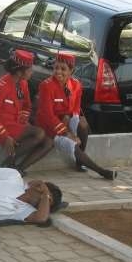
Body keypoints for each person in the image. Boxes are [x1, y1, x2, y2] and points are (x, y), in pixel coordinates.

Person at [36, 52, 117, 180]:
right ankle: (101, 171)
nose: (58, 72)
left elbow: (75, 108)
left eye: (63, 69)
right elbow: (47, 116)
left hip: (64, 120)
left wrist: (72, 118)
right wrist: (68, 133)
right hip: (50, 127)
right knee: (71, 144)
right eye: (56, 67)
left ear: (71, 71)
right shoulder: (46, 86)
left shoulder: (76, 85)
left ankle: (80, 161)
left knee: (83, 126)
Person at [0, 49, 53, 176]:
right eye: (30, 69)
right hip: (0, 128)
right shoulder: (0, 87)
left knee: (49, 142)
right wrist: (5, 137)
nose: (32, 71)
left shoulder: (23, 83)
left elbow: (26, 106)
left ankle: (18, 168)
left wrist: (23, 120)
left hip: (15, 125)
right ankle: (5, 164)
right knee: (39, 133)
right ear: (20, 72)